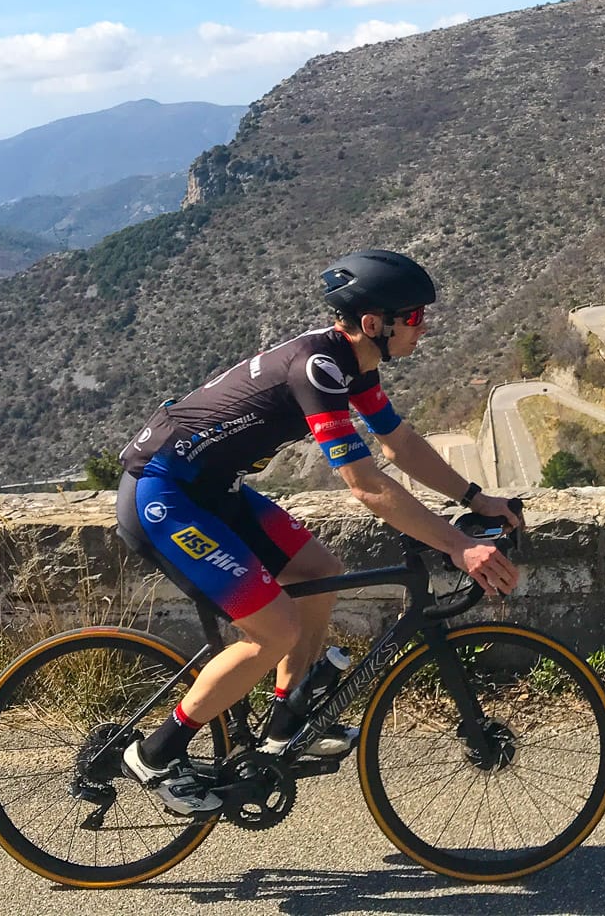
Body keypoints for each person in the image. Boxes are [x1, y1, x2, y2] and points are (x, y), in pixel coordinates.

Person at [113, 248, 521, 815]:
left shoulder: (352, 364)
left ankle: (285, 723)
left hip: (211, 489)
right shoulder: (318, 368)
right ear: (374, 324)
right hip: (162, 493)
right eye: (416, 316)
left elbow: (397, 443)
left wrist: (476, 499)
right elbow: (363, 482)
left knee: (319, 572)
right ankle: (158, 753)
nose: (423, 327)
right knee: (273, 629)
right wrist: (457, 544)